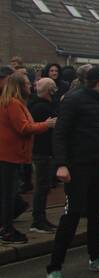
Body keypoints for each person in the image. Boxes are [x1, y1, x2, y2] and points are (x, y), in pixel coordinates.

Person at [46, 67, 99, 278]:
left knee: (96, 214)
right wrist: (61, 164)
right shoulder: (73, 101)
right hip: (77, 168)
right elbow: (60, 133)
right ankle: (54, 267)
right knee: (71, 216)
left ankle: (96, 257)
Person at [1, 73, 56, 244]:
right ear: (18, 86)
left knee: (8, 194)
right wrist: (45, 125)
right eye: (26, 84)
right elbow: (23, 127)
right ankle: (6, 230)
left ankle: (6, 227)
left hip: (10, 154)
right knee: (7, 195)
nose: (31, 86)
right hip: (10, 155)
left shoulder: (12, 103)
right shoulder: (13, 104)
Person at [28, 77, 61, 233]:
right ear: (51, 90)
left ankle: (40, 218)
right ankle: (38, 220)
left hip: (41, 150)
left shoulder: (35, 105)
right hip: (43, 151)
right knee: (42, 186)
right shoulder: (43, 108)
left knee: (43, 186)